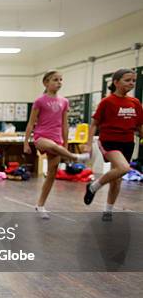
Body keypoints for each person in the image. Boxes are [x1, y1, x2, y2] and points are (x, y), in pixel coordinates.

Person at [23, 70, 90, 218]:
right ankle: (75, 157)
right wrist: (26, 143)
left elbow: (64, 124)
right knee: (52, 146)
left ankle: (40, 206)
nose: (59, 82)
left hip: (57, 138)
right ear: (46, 83)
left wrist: (65, 144)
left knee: (52, 174)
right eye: (55, 80)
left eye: (61, 80)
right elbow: (31, 123)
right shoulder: (40, 101)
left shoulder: (64, 102)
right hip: (41, 137)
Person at [83, 68, 143, 221]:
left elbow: (140, 125)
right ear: (116, 82)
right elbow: (94, 124)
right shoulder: (107, 101)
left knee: (117, 179)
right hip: (109, 141)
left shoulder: (135, 102)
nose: (131, 83)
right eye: (127, 80)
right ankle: (93, 186)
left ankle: (108, 211)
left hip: (128, 142)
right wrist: (89, 144)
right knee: (124, 168)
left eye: (133, 81)